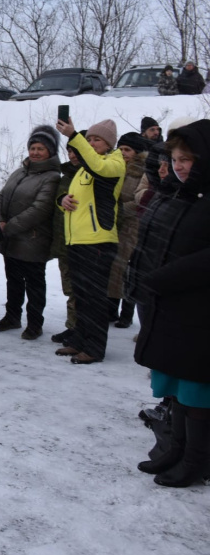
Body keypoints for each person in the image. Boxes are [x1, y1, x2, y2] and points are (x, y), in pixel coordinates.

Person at [132, 119, 210, 488]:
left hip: (198, 312)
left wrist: (164, 278)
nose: (179, 165)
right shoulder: (180, 194)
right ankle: (176, 449)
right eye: (176, 158)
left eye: (188, 159)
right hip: (174, 308)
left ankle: (196, 461)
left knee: (196, 389)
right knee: (177, 385)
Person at [54, 117, 125, 364]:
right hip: (78, 240)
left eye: (97, 139)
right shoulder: (85, 168)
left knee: (94, 298)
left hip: (98, 241)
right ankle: (79, 340)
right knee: (81, 295)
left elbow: (100, 168)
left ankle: (94, 348)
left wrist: (75, 136)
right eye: (90, 139)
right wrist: (62, 200)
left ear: (109, 144)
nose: (92, 143)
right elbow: (73, 198)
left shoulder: (114, 162)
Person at [0, 125, 60, 340]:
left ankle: (35, 323)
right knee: (12, 281)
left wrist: (9, 226)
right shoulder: (20, 171)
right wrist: (0, 220)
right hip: (11, 240)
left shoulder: (51, 177)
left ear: (50, 151)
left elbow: (39, 209)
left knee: (34, 285)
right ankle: (12, 316)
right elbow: (0, 197)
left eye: (41, 148)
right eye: (33, 147)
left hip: (33, 241)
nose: (35, 152)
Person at [107, 132, 147, 329]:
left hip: (132, 225)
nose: (123, 153)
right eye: (120, 149)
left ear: (136, 152)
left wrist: (119, 209)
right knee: (113, 267)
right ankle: (111, 309)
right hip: (114, 224)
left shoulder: (142, 171)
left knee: (127, 270)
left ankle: (127, 312)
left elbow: (140, 200)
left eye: (127, 149)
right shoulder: (115, 167)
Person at [50, 137, 83, 344]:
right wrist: (60, 199)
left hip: (83, 241)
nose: (71, 155)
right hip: (65, 240)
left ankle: (79, 328)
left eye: (76, 151)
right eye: (69, 151)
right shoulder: (66, 175)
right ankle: (73, 326)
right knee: (70, 287)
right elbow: (59, 198)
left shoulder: (92, 174)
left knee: (80, 289)